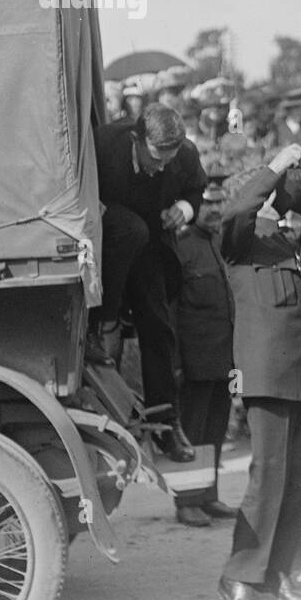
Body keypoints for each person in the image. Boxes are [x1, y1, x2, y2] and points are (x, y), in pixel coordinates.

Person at [217, 144, 301, 600]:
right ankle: (240, 576)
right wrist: (276, 164)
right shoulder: (238, 239)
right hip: (265, 375)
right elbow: (239, 206)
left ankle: (280, 571)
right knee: (269, 474)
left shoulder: (286, 240)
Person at [91, 103, 207, 462]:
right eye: (157, 156)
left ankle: (165, 425)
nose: (161, 167)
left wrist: (184, 210)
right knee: (101, 338)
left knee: (158, 328)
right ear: (136, 138)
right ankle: (102, 426)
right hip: (106, 247)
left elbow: (194, 191)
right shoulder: (102, 145)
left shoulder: (183, 154)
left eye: (169, 159)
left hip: (150, 249)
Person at [172, 177, 239, 526]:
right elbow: (169, 311)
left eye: (219, 202)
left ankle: (208, 496)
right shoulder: (181, 247)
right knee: (192, 431)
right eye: (208, 203)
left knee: (215, 428)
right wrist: (175, 363)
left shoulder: (218, 244)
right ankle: (186, 501)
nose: (214, 209)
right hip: (194, 358)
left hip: (222, 357)